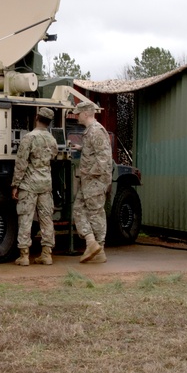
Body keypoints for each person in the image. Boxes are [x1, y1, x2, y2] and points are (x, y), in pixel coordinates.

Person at [11, 106, 58, 266]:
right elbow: (54, 155)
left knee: (25, 218)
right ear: (49, 122)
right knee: (46, 219)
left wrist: (15, 184)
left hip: (29, 185)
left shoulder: (29, 138)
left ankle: (24, 255)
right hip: (45, 184)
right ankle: (47, 254)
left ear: (37, 117)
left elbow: (21, 163)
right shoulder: (52, 140)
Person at [72, 100, 111, 263]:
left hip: (94, 181)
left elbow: (104, 158)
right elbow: (95, 152)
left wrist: (88, 173)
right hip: (89, 181)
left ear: (87, 113)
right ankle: (91, 243)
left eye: (78, 113)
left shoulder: (96, 131)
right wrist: (81, 148)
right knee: (78, 209)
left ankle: (98, 249)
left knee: (96, 214)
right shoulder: (90, 131)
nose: (76, 116)